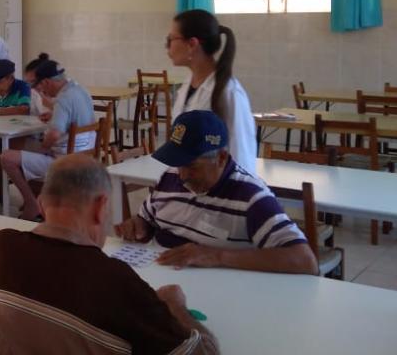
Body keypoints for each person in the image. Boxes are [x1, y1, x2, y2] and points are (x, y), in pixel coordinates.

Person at [0, 154, 218, 354]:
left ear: (42, 205)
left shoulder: (0, 247)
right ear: (99, 207)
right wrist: (175, 306)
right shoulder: (115, 281)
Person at [115, 111, 317, 275]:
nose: (183, 176)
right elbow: (148, 221)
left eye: (192, 166)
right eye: (178, 165)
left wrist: (217, 256)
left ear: (221, 158)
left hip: (223, 295)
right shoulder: (170, 177)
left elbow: (305, 260)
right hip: (163, 279)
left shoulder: (251, 197)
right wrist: (138, 226)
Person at [0, 60, 94, 220]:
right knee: (22, 146)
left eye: (41, 86)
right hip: (85, 155)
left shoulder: (63, 99)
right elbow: (76, 117)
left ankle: (32, 203)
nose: (42, 90)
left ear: (47, 82)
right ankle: (42, 198)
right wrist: (54, 115)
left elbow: (54, 135)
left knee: (6, 157)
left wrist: (44, 147)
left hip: (65, 162)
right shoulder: (80, 90)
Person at [167, 9, 257, 174]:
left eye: (171, 39)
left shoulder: (229, 93)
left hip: (222, 194)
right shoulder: (187, 87)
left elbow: (241, 157)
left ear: (192, 44)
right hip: (190, 187)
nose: (167, 47)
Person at [0, 59, 32, 207]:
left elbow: (23, 108)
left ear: (10, 77)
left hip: (17, 132)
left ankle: (28, 198)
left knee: (8, 157)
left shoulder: (22, 86)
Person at [24, 53, 54, 119]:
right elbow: (32, 116)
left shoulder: (64, 94)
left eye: (33, 81)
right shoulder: (34, 92)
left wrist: (51, 105)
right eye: (28, 82)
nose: (31, 86)